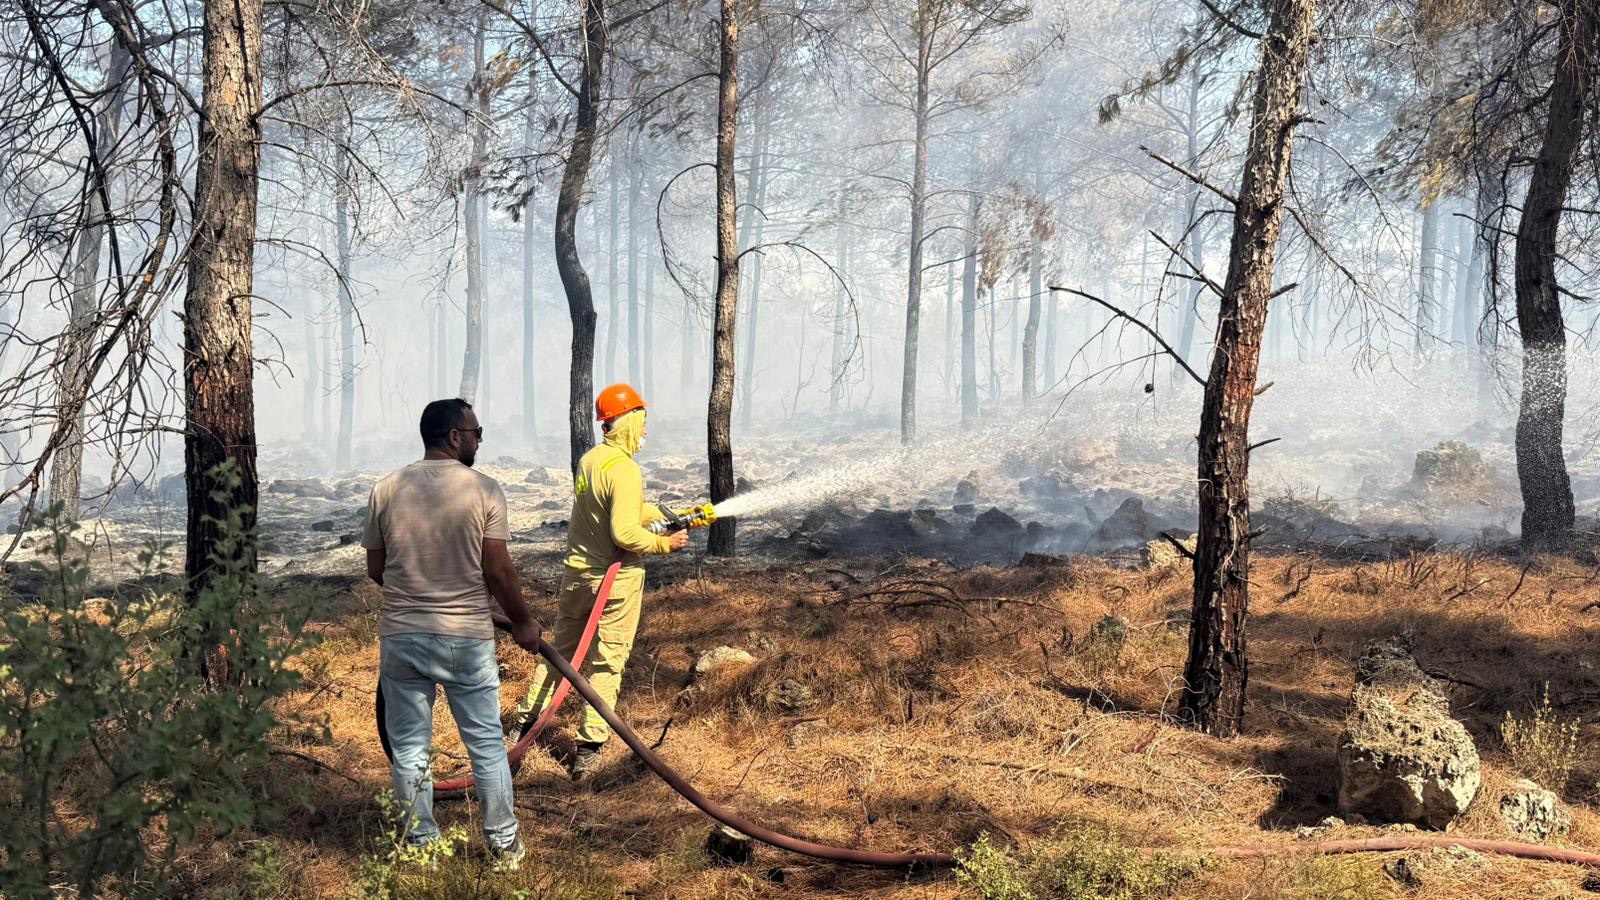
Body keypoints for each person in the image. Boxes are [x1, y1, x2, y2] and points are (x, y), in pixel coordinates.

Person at [362, 398, 542, 869]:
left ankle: (421, 848)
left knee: (408, 749)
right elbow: (499, 570)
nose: (480, 440)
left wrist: (416, 594)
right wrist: (522, 621)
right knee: (484, 744)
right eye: (477, 431)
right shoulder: (484, 490)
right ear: (454, 436)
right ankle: (504, 847)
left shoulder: (385, 488)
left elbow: (377, 568)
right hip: (465, 637)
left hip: (401, 637)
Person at [509, 383, 688, 781]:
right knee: (608, 663)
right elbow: (624, 534)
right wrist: (664, 543)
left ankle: (522, 725)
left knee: (560, 654)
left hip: (578, 575)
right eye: (642, 422)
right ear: (627, 422)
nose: (645, 432)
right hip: (616, 580)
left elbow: (610, 507)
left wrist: (660, 511)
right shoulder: (626, 469)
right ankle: (588, 750)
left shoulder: (593, 461)